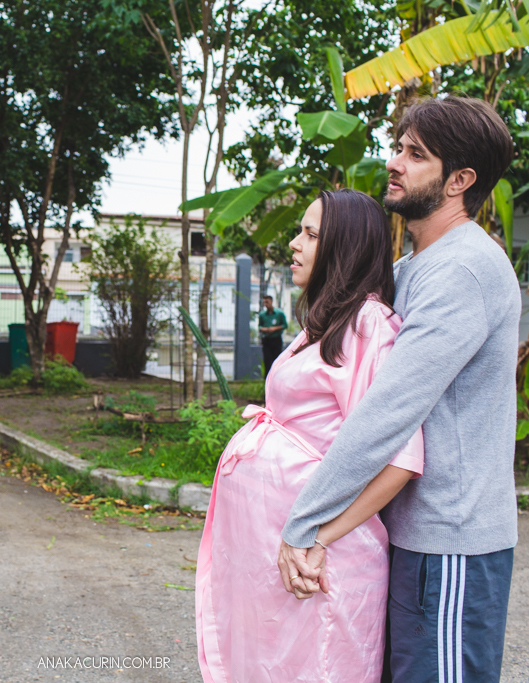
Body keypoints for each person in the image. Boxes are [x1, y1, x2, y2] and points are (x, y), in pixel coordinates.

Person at [278, 95, 520, 683]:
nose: (394, 162)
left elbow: (388, 410)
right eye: (398, 147)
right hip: (406, 537)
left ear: (460, 181)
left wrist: (306, 521)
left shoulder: (463, 269)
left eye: (415, 155)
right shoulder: (412, 269)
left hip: (450, 542)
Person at [196, 189, 424, 683]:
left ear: (344, 247)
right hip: (283, 550)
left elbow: (400, 461)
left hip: (323, 559)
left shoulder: (369, 325)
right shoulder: (322, 324)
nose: (295, 244)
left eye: (311, 234)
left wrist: (318, 536)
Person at [258, 295, 287, 376]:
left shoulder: (279, 313)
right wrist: (265, 329)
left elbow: (285, 325)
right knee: (267, 360)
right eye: (264, 302)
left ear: (271, 301)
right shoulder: (262, 315)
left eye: (267, 302)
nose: (265, 304)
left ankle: (277, 377)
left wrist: (274, 329)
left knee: (277, 360)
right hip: (266, 340)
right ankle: (267, 379)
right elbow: (259, 327)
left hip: (276, 340)